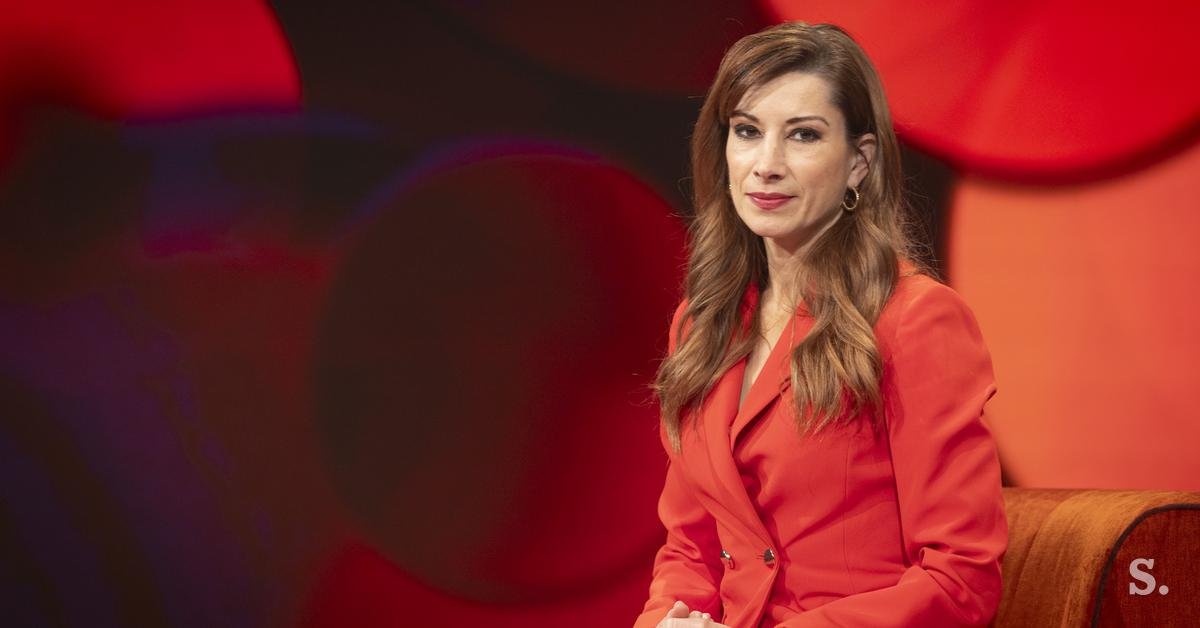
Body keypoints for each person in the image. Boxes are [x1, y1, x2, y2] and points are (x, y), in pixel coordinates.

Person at [633, 22, 1007, 628]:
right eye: (747, 132)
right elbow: (689, 550)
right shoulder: (703, 325)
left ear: (859, 163)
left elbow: (959, 580)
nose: (766, 165)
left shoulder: (916, 319)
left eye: (803, 135)